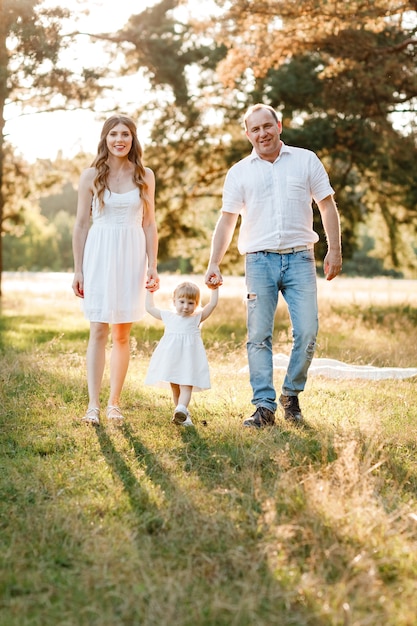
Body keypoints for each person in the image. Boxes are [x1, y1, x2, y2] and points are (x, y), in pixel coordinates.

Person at [205, 103, 342, 428]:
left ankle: (290, 395)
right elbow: (226, 222)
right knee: (258, 336)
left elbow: (327, 205)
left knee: (308, 331)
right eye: (255, 129)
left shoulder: (306, 160)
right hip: (259, 261)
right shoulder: (240, 171)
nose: (262, 133)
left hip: (300, 258)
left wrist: (333, 248)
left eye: (268, 126)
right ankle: (264, 407)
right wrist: (214, 262)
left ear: (278, 126)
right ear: (248, 134)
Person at [72, 114, 159, 425]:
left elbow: (149, 224)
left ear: (133, 139)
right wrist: (78, 269)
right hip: (99, 253)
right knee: (98, 329)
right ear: (105, 139)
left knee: (122, 333)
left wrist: (153, 266)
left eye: (125, 134)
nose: (119, 139)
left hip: (132, 255)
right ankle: (93, 405)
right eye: (113, 134)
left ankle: (114, 404)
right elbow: (81, 224)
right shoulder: (91, 175)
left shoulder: (144, 175)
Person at [145, 281, 219, 426]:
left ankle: (182, 408)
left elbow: (212, 304)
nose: (186, 306)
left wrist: (214, 289)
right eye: (182, 301)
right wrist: (149, 290)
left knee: (186, 384)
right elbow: (149, 308)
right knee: (175, 386)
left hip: (189, 360)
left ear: (197, 304)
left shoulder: (197, 318)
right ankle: (181, 413)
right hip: (172, 358)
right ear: (174, 301)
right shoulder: (168, 316)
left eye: (191, 303)